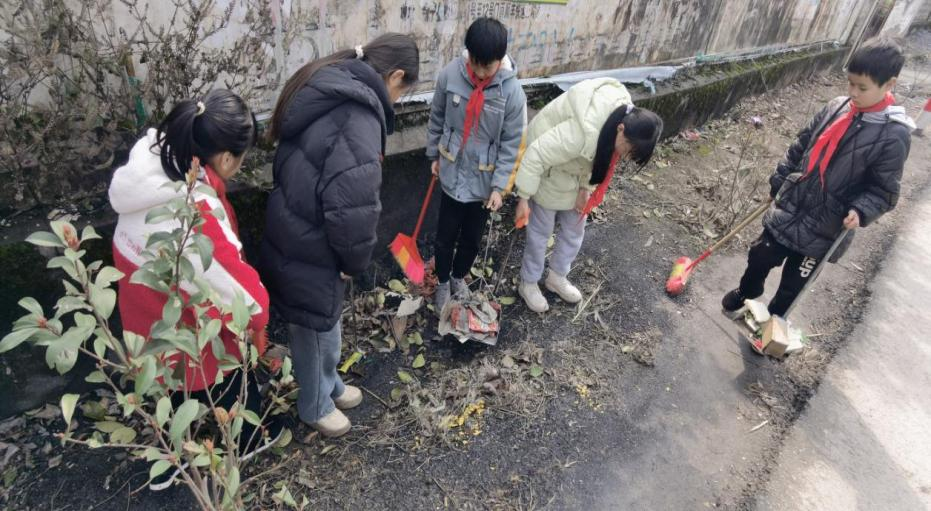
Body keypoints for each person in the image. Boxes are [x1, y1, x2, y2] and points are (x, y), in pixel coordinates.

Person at [109, 89, 277, 490]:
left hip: (143, 314)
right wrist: (260, 314)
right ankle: (246, 438)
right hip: (184, 323)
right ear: (225, 159)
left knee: (167, 391)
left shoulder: (153, 161)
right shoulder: (190, 214)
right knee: (228, 374)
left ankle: (167, 463)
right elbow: (236, 289)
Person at [259, 34, 420, 438]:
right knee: (314, 329)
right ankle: (313, 405)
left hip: (296, 225)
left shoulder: (329, 83)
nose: (397, 101)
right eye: (402, 91)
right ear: (395, 75)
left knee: (323, 324)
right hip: (314, 240)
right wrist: (352, 262)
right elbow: (352, 207)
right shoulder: (359, 116)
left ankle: (328, 385)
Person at [721, 35, 914, 317]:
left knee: (794, 284)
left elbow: (883, 190)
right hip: (792, 205)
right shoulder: (836, 106)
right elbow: (801, 146)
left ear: (889, 85)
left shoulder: (893, 135)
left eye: (862, 87)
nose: (853, 93)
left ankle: (773, 324)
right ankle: (748, 290)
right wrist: (779, 181)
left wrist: (861, 210)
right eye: (850, 83)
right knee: (760, 255)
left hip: (828, 225)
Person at [512, 78, 663, 312]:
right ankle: (528, 282)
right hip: (548, 169)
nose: (625, 158)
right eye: (630, 152)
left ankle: (557, 277)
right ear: (621, 131)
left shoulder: (622, 119)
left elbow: (596, 157)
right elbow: (537, 154)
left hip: (574, 169)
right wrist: (523, 197)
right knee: (541, 232)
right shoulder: (581, 134)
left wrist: (585, 188)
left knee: (574, 229)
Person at [426, 17, 527, 313]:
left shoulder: (512, 94)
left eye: (488, 66)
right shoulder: (450, 76)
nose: (481, 72)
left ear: (501, 60)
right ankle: (443, 281)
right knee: (444, 237)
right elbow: (437, 119)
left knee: (471, 238)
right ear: (467, 53)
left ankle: (459, 277)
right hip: (451, 171)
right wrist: (434, 155)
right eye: (476, 63)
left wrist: (500, 187)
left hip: (484, 184)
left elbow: (511, 146)